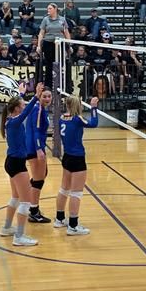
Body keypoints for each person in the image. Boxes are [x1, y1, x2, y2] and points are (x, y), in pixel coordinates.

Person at [0, 83, 43, 247]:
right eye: (22, 104)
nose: (23, 106)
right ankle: (19, 237)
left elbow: (20, 107)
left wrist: (20, 94)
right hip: (17, 164)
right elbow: (25, 111)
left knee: (16, 198)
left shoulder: (10, 119)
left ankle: (6, 228)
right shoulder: (16, 121)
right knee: (25, 201)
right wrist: (36, 96)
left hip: (11, 162)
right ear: (17, 109)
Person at [51, 93, 99, 236]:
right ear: (77, 105)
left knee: (64, 189)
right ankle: (73, 225)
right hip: (77, 158)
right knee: (76, 193)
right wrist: (94, 107)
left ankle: (59, 219)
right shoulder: (78, 119)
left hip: (67, 157)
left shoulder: (61, 118)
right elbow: (94, 123)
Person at [25, 88, 53, 224]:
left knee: (43, 174)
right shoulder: (38, 109)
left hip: (36, 146)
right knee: (38, 180)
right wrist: (38, 149)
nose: (47, 99)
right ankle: (34, 212)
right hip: (34, 147)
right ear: (39, 97)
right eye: (44, 97)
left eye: (49, 96)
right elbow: (36, 130)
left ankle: (28, 204)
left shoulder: (40, 107)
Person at [36, 3, 70, 87]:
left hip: (60, 43)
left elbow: (66, 33)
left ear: (55, 9)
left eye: (50, 8)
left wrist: (69, 45)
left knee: (60, 64)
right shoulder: (45, 19)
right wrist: (39, 45)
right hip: (48, 43)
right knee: (49, 65)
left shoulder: (62, 19)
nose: (48, 10)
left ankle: (60, 85)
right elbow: (41, 33)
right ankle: (48, 86)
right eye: (48, 8)